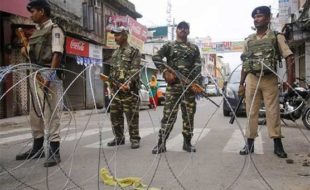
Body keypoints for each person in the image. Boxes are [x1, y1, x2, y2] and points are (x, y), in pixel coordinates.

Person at [238, 6, 295, 158]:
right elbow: (244, 64)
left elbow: (289, 57)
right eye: (255, 17)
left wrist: (290, 81)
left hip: (269, 78)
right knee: (251, 112)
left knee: (273, 111)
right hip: (252, 78)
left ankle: (277, 145)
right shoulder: (249, 40)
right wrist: (241, 84)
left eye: (260, 16)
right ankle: (249, 143)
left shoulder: (277, 36)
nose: (256, 19)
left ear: (268, 18)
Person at [16, 0, 65, 167]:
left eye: (33, 11)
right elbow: (30, 54)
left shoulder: (55, 29)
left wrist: (49, 77)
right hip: (35, 74)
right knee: (35, 112)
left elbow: (57, 54)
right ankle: (37, 148)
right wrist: (25, 50)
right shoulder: (36, 32)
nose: (31, 15)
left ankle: (54, 150)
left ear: (42, 11)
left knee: (51, 111)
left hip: (48, 74)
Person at [151, 21, 202, 154]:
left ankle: (187, 143)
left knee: (189, 116)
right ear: (176, 30)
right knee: (168, 115)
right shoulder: (169, 46)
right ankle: (161, 143)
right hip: (173, 88)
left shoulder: (194, 48)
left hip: (189, 87)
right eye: (180, 28)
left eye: (185, 28)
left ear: (189, 31)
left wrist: (197, 84)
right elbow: (156, 57)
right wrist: (165, 72)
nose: (183, 30)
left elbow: (197, 67)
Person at [107, 26, 141, 149]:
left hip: (129, 91)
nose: (115, 37)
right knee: (115, 115)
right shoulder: (115, 53)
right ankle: (119, 137)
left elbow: (135, 70)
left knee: (131, 115)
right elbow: (112, 71)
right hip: (116, 90)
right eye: (114, 35)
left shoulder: (133, 51)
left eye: (118, 35)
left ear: (125, 35)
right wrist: (110, 85)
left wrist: (129, 83)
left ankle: (135, 138)